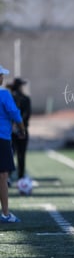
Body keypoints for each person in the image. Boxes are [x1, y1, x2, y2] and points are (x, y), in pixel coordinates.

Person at [0, 65, 25, 223]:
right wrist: (22, 128)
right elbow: (14, 113)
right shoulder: (4, 94)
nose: (2, 77)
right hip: (1, 139)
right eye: (1, 75)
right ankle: (5, 214)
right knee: (3, 176)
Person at [10, 78, 31, 180]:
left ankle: (8, 177)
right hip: (21, 130)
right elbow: (27, 115)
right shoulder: (25, 99)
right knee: (21, 155)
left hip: (10, 131)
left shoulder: (8, 98)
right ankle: (21, 177)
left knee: (9, 155)